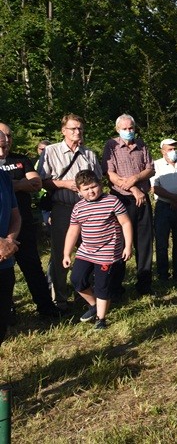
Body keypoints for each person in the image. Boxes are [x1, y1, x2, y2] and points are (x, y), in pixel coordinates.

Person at [39, 114, 103, 312]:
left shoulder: (89, 154)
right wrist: (65, 184)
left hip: (88, 209)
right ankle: (59, 298)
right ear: (63, 131)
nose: (77, 132)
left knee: (91, 252)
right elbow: (41, 181)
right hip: (63, 208)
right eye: (73, 128)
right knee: (60, 253)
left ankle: (88, 294)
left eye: (80, 128)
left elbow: (99, 179)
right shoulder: (51, 151)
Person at [0, 125, 60, 318]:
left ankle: (46, 307)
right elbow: (25, 184)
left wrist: (11, 185)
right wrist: (20, 184)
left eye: (9, 136)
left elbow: (35, 183)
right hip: (2, 226)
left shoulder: (21, 160)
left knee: (32, 265)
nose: (7, 140)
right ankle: (8, 310)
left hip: (21, 222)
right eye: (3, 137)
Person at [62, 170, 132, 330]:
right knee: (77, 279)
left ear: (100, 184)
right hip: (86, 251)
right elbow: (73, 230)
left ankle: (101, 319)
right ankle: (94, 305)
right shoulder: (78, 207)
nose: (91, 191)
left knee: (102, 286)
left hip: (107, 252)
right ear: (79, 191)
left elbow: (126, 223)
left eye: (93, 187)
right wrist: (67, 253)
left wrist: (128, 246)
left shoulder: (112, 201)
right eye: (86, 189)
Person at [102, 114, 155, 296]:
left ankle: (144, 285)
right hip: (121, 200)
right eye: (124, 129)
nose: (128, 131)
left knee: (145, 242)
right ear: (118, 129)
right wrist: (134, 188)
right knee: (120, 241)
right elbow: (110, 174)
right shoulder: (111, 146)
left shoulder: (141, 145)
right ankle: (116, 287)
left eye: (131, 128)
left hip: (143, 200)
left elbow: (150, 168)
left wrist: (136, 178)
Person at [150, 139, 177, 282]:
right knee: (162, 243)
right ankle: (163, 274)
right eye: (170, 149)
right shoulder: (156, 164)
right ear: (163, 151)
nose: (173, 151)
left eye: (175, 148)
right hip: (163, 207)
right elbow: (155, 187)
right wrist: (173, 199)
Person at [0, 167, 20, 345]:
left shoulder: (4, 177)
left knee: (2, 319)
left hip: (4, 261)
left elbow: (15, 216)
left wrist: (9, 240)